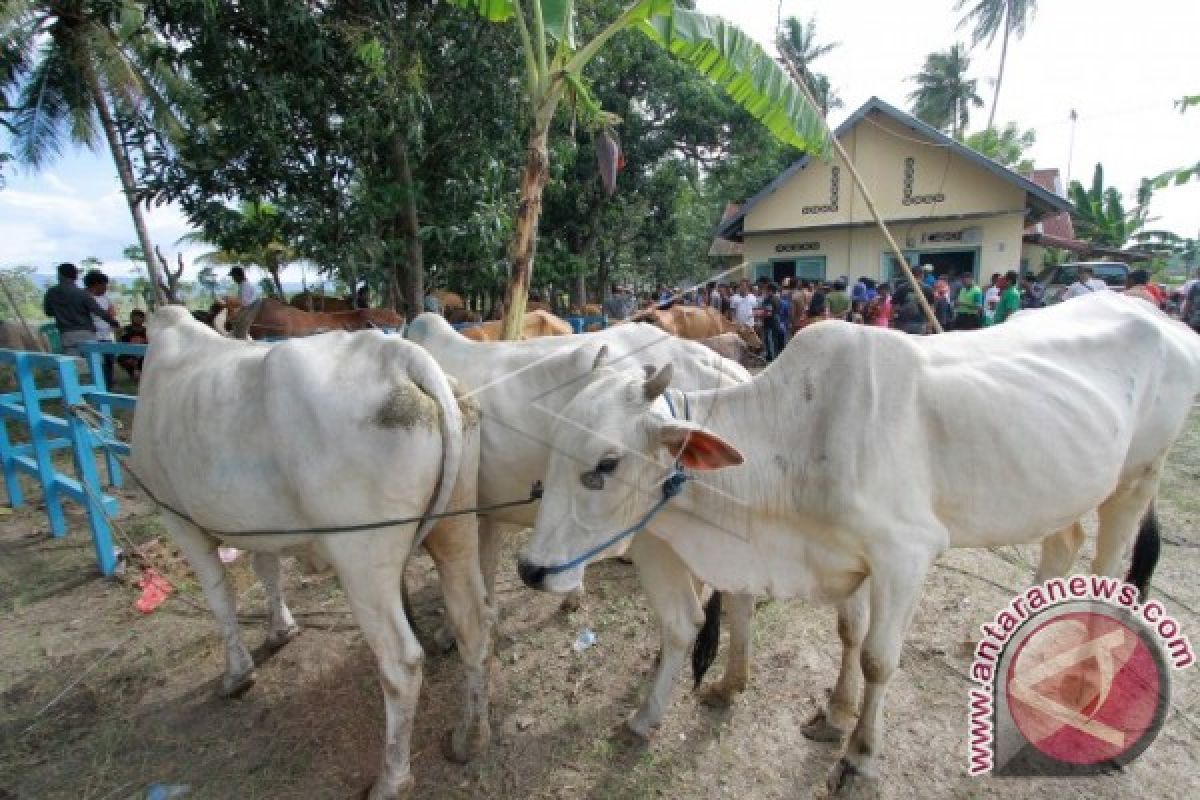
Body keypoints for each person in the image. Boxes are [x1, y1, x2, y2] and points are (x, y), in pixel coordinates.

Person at [42, 262, 121, 357]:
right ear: (75, 276)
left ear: (59, 275)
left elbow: (49, 312)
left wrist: (63, 312)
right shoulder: (82, 294)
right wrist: (113, 322)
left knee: (74, 365)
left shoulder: (51, 293)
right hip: (86, 333)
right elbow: (99, 312)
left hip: (66, 334)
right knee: (94, 364)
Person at [83, 270, 118, 385]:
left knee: (109, 360)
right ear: (96, 285)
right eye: (104, 285)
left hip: (107, 335)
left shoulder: (106, 298)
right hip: (94, 336)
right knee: (98, 363)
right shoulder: (84, 298)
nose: (105, 288)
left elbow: (112, 312)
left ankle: (109, 383)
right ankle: (99, 384)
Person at [757, 282, 786, 361]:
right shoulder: (778, 299)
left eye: (767, 289)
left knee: (769, 340)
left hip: (769, 322)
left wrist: (759, 315)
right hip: (776, 320)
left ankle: (771, 357)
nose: (765, 291)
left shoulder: (769, 299)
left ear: (770, 290)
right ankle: (775, 357)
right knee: (775, 340)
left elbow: (768, 312)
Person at [118, 310, 148, 383]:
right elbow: (122, 344)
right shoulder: (126, 330)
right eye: (136, 317)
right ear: (131, 318)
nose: (138, 319)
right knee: (121, 358)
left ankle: (142, 374)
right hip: (129, 354)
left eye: (140, 317)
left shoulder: (146, 331)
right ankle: (132, 373)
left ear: (143, 319)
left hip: (144, 355)